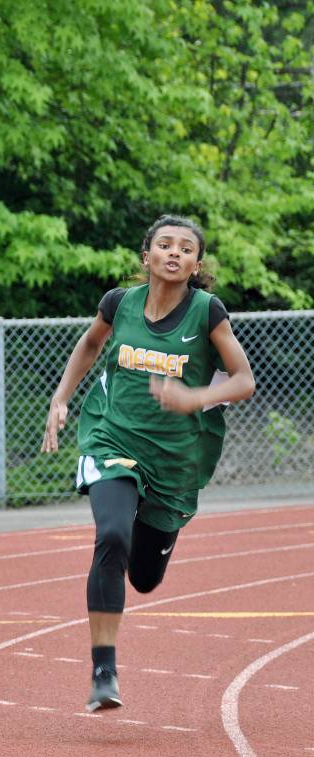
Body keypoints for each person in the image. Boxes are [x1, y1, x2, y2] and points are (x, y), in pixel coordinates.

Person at [41, 214, 255, 712]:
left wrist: (195, 398)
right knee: (111, 535)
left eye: (185, 248)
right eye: (165, 245)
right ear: (147, 257)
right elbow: (91, 342)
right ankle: (103, 671)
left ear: (196, 263)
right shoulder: (119, 303)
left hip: (175, 460)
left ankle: (154, 529)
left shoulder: (207, 312)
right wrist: (61, 396)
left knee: (143, 578)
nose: (174, 252)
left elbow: (243, 380)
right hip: (112, 437)